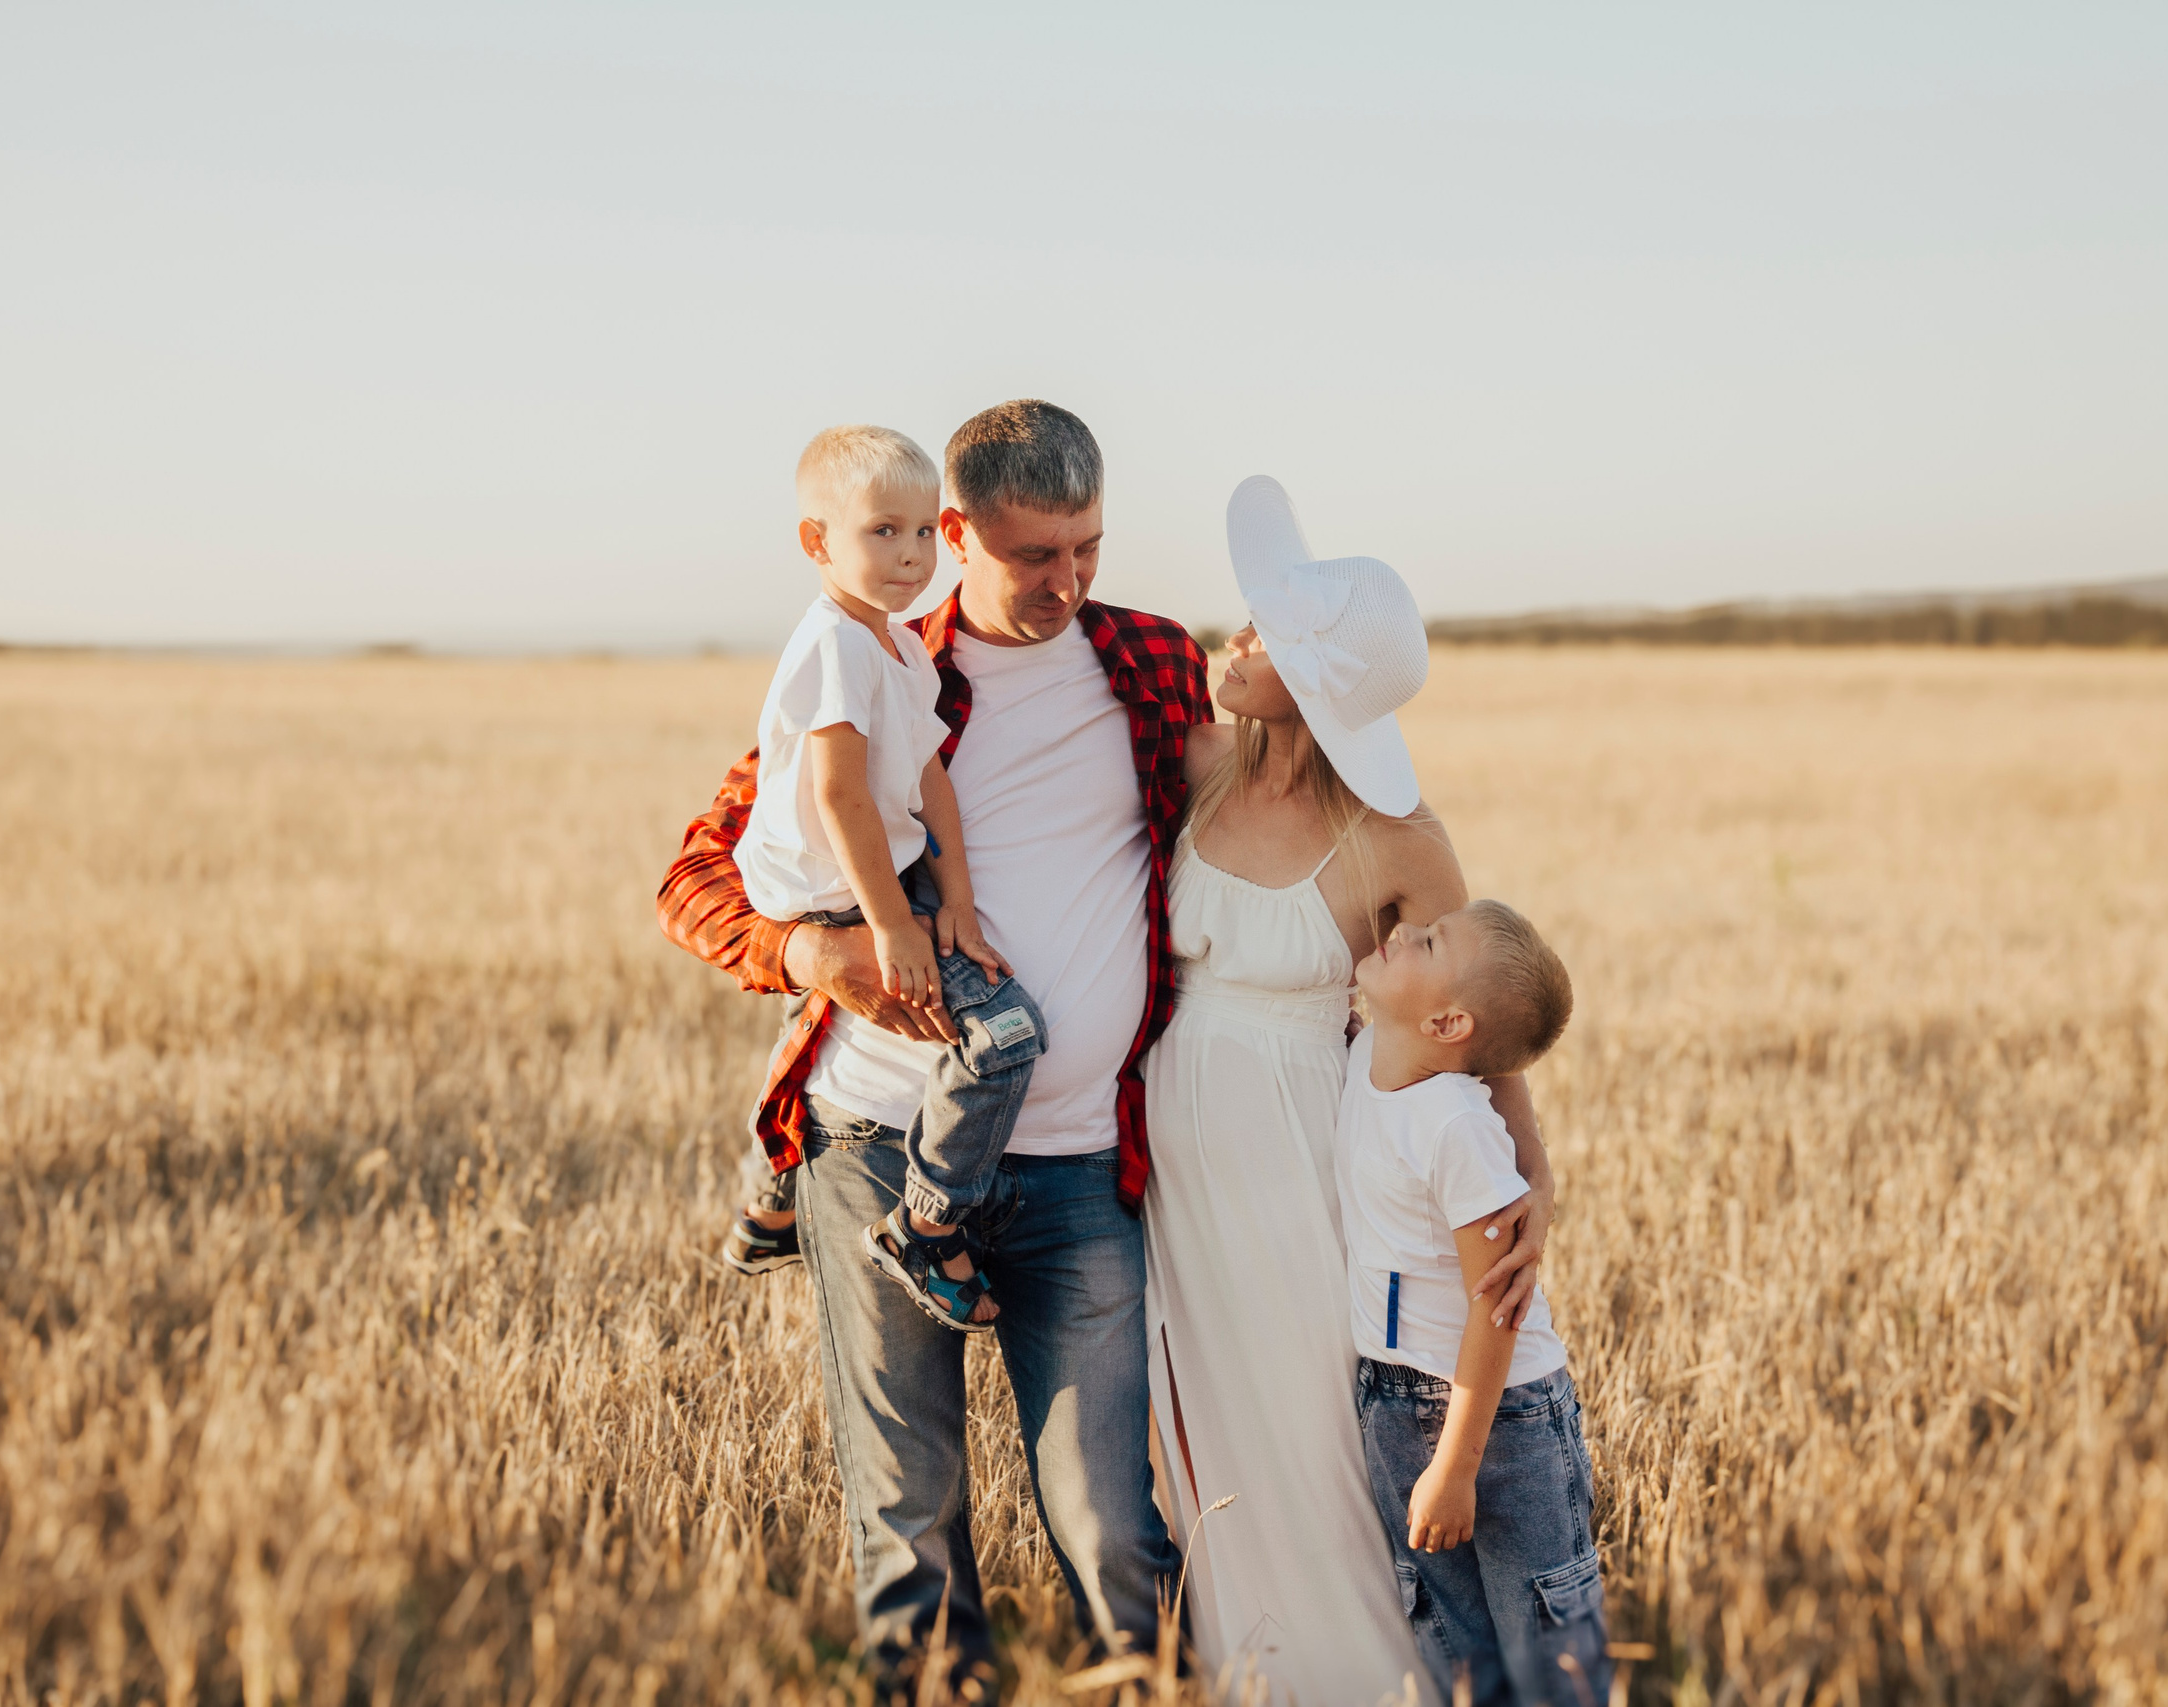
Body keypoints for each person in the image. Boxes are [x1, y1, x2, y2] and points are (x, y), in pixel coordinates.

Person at [658, 400, 1198, 1688]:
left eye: (1089, 548)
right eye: (1033, 555)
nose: (1066, 582)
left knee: (1115, 1527)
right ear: (954, 534)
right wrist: (811, 955)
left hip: (1076, 1172)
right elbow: (695, 876)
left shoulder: (1154, 666)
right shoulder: (882, 657)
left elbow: (1258, 827)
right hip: (877, 1146)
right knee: (908, 1524)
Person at [1140, 477, 1558, 1700]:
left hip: (1297, 1164)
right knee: (1210, 1438)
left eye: (1263, 631)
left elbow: (1477, 1022)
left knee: (1315, 1436)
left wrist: (1529, 1189)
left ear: (1316, 683)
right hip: (1178, 1170)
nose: (1236, 634)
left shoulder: (1393, 833)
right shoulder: (1196, 761)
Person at [721, 424, 1044, 1333]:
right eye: (880, 533)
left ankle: (767, 1204)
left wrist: (963, 902)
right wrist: (897, 923)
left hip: (871, 881)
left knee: (810, 1034)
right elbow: (841, 794)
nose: (909, 556)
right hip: (831, 893)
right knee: (1006, 1036)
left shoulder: (899, 647)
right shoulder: (834, 642)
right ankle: (927, 1224)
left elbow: (929, 779)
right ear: (817, 542)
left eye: (919, 534)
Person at [1341, 900, 1606, 1707]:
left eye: (1426, 941)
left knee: (1546, 1644)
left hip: (1505, 1419)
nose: (1397, 932)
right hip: (1393, 1399)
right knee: (1450, 1644)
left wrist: (1456, 1465)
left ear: (1449, 1019)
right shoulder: (1365, 1057)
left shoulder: (1456, 1124)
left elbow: (1497, 1308)